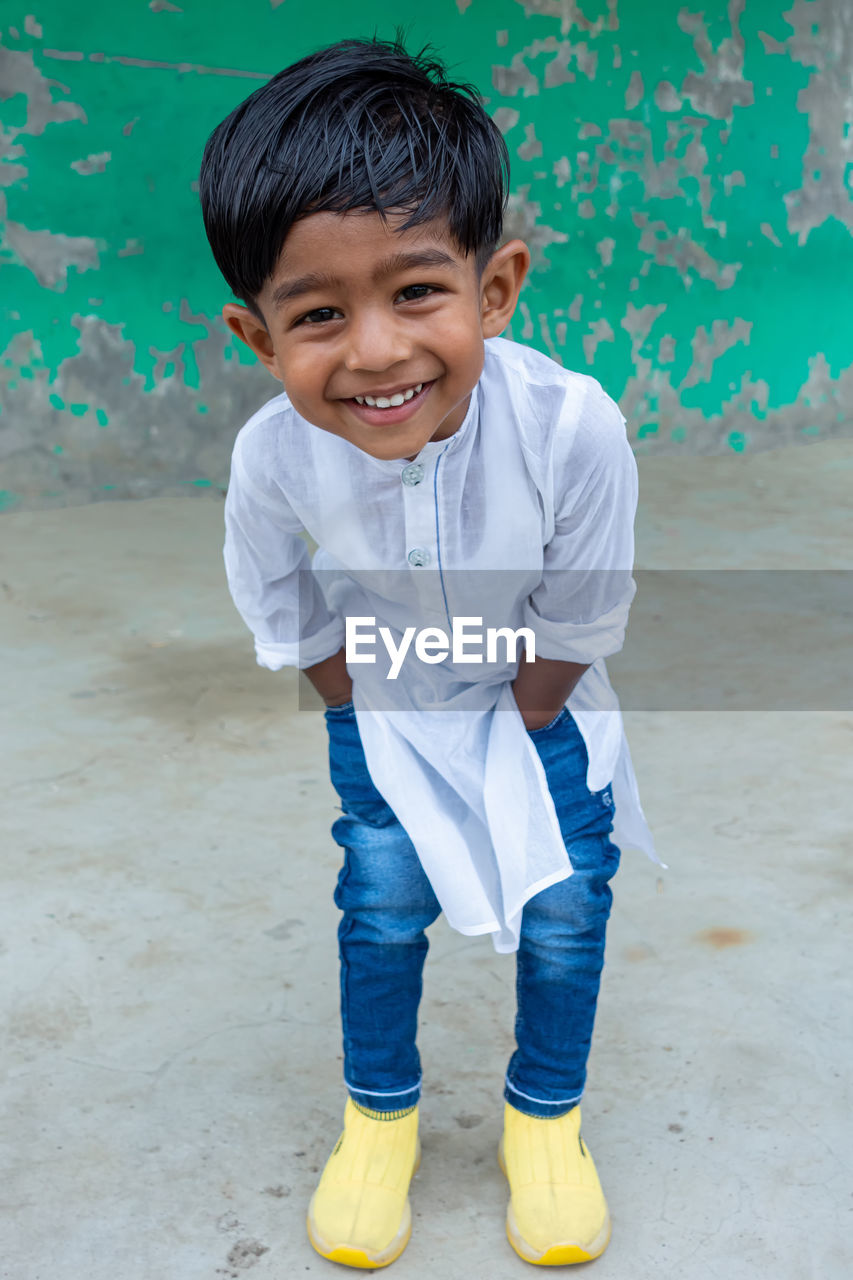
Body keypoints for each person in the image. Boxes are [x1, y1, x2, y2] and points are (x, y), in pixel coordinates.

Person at [199, 34, 659, 1270]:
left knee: (565, 910)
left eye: (415, 291)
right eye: (316, 313)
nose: (376, 351)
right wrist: (367, 711)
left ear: (495, 286)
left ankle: (545, 1121)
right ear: (256, 334)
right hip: (386, 714)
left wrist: (517, 725)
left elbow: (579, 605)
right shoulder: (274, 458)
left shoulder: (572, 427)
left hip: (547, 708)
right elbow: (280, 596)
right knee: (380, 904)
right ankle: (378, 1122)